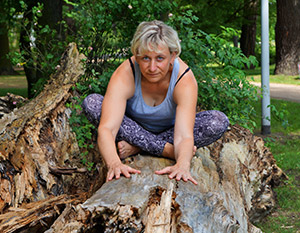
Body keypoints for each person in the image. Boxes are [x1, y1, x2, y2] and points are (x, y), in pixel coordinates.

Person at [82, 20, 229, 185]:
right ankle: (166, 149)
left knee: (217, 121)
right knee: (92, 103)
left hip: (169, 132)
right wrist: (114, 163)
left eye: (160, 58)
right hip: (132, 128)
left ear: (173, 56)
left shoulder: (184, 78)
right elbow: (107, 128)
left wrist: (182, 164)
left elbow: (184, 135)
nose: (152, 68)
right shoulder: (126, 73)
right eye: (145, 58)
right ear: (136, 55)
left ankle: (139, 146)